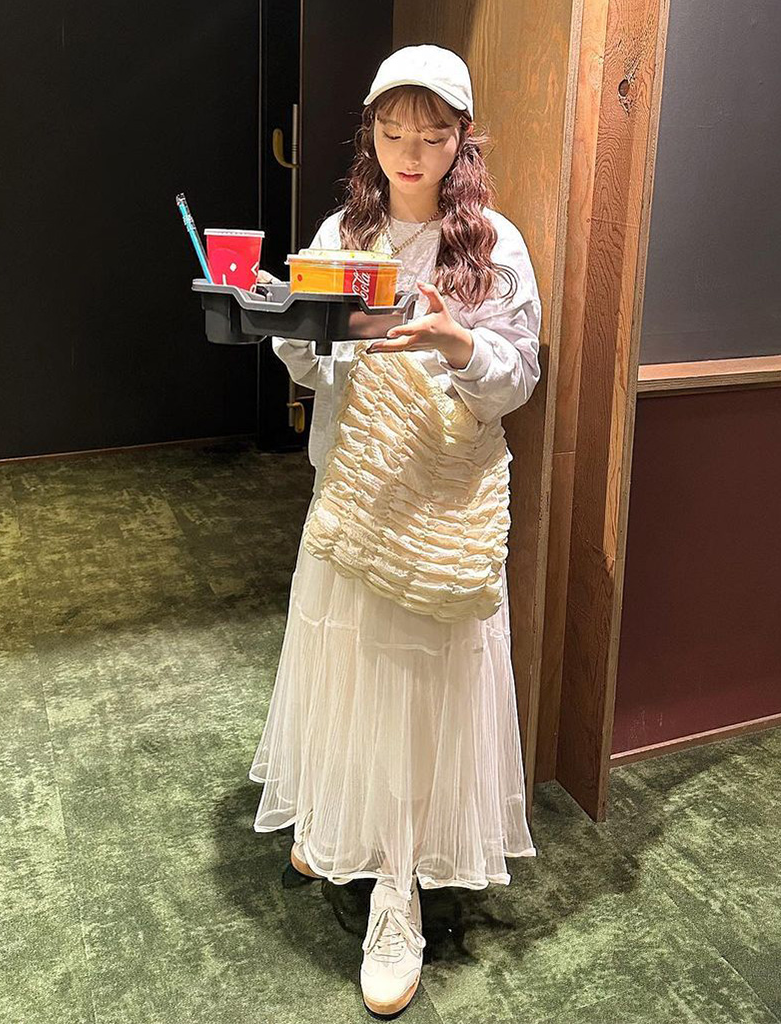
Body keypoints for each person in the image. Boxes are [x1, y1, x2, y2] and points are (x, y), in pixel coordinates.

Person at [248, 44, 541, 1018]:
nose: (410, 153)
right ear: (369, 135)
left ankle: (398, 896)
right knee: (347, 666)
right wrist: (292, 330)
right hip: (355, 491)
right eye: (392, 132)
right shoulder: (345, 232)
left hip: (440, 507)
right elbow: (315, 368)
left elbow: (517, 378)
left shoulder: (492, 245)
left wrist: (461, 344)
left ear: (462, 141)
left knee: (417, 693)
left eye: (432, 135)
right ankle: (338, 816)